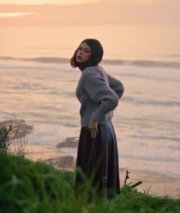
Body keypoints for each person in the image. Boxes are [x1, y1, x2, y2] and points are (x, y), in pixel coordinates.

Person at [70, 38, 124, 199]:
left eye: (87, 51)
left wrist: (95, 117)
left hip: (95, 130)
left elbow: (112, 99)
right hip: (106, 128)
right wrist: (104, 114)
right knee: (99, 177)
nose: (81, 53)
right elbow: (118, 88)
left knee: (91, 178)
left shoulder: (89, 74)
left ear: (93, 55)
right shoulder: (98, 70)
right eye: (80, 49)